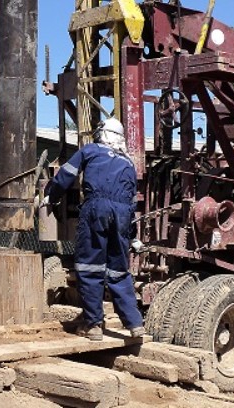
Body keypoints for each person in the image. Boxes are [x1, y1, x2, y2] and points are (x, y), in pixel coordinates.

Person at [41, 117, 145, 341]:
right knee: (118, 270)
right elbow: (131, 203)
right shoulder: (128, 163)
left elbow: (66, 176)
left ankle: (94, 325)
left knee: (90, 268)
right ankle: (135, 324)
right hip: (122, 215)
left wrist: (51, 196)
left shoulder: (90, 151)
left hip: (96, 208)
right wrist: (132, 237)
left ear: (102, 134)